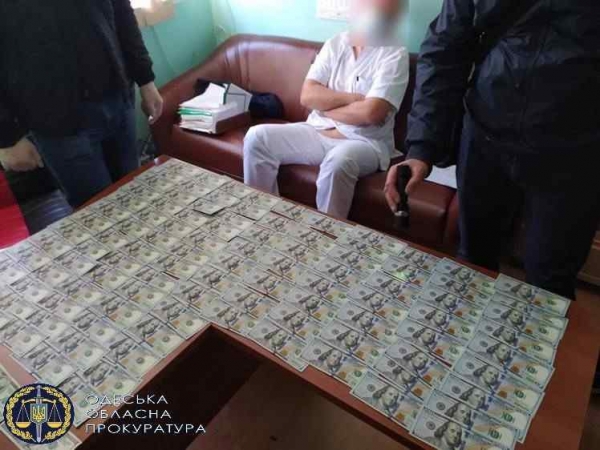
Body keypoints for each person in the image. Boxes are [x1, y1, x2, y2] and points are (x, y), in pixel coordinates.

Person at [384, 0, 600, 302]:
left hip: (574, 153)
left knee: (550, 282)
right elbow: (445, 50)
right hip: (485, 138)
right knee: (472, 262)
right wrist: (421, 148)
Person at [243, 0, 409, 218]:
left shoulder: (394, 54)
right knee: (257, 137)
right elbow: (307, 95)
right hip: (317, 131)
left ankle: (326, 232)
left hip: (364, 143)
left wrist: (326, 107)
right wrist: (351, 99)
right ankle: (262, 218)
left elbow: (371, 113)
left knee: (338, 162)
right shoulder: (335, 44)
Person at [0, 0, 163, 208]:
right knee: (99, 213)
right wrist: (7, 138)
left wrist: (146, 79)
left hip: (118, 99)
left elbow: (122, 13)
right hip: (58, 122)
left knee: (137, 198)